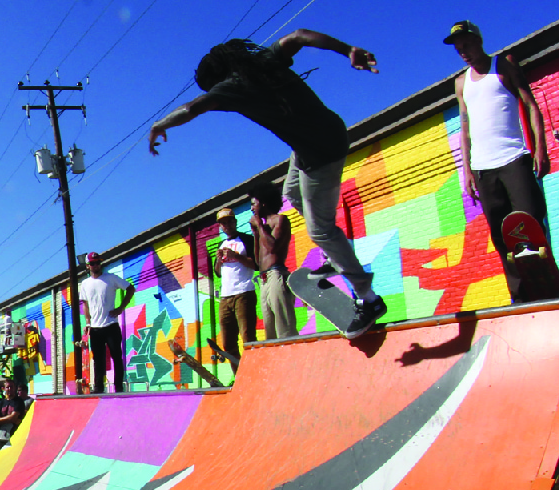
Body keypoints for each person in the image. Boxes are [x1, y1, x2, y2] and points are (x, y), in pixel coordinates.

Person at [150, 29, 388, 338]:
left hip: (321, 154)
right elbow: (299, 36)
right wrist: (348, 49)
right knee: (290, 192)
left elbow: (193, 108)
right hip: (321, 137)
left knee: (321, 230)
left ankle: (368, 300)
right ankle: (333, 255)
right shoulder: (263, 59)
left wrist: (159, 124)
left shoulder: (232, 87)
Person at [446, 20, 559, 304]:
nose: (463, 51)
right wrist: (467, 172)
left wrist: (541, 149)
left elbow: (531, 104)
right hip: (483, 169)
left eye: (466, 45)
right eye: (458, 48)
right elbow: (465, 129)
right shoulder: (461, 83)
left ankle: (552, 292)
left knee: (530, 228)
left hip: (514, 159)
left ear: (478, 40)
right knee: (503, 239)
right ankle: (521, 298)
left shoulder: (504, 65)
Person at [77, 252, 132, 393]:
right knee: (98, 359)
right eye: (93, 263)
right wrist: (87, 323)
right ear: (88, 266)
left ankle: (118, 387)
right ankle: (98, 388)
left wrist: (120, 308)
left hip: (111, 324)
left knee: (116, 356)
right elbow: (85, 304)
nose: (96, 266)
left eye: (98, 263)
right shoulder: (85, 284)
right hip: (95, 328)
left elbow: (130, 289)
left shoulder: (111, 278)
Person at [249, 187, 299, 340]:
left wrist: (260, 226)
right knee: (270, 332)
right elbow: (258, 261)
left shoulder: (281, 220)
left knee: (284, 327)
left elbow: (273, 248)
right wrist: (256, 234)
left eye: (253, 204)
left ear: (263, 203)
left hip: (276, 274)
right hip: (263, 279)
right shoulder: (261, 227)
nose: (252, 209)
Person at [215, 208, 258, 369]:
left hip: (244, 292)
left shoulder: (247, 240)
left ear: (235, 222)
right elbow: (218, 272)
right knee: (227, 342)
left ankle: (253, 373)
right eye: (223, 223)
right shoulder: (222, 244)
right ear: (221, 226)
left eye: (229, 221)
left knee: (248, 338)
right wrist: (219, 260)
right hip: (225, 296)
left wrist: (236, 256)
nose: (227, 225)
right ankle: (239, 375)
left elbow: (256, 264)